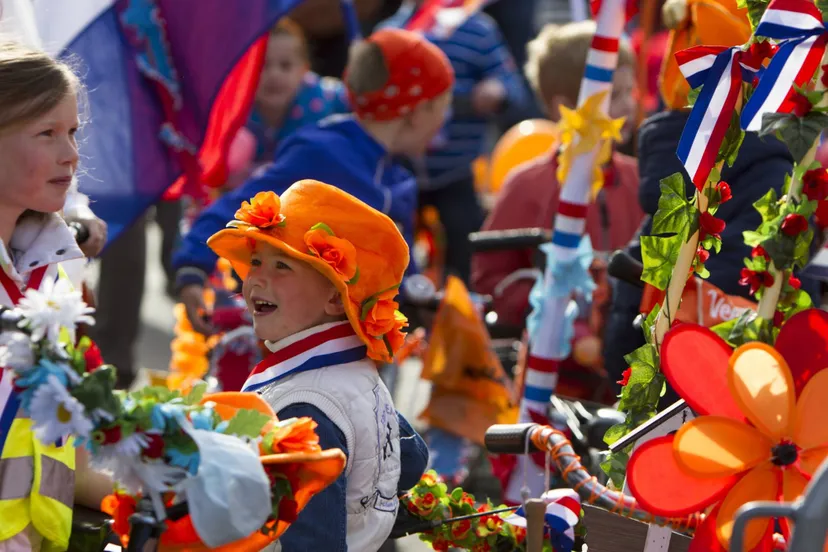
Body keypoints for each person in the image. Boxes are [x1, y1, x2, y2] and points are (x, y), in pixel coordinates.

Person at [601, 0, 820, 404]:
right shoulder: (770, 174)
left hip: (665, 392)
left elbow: (624, 337)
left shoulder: (674, 166)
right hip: (742, 402)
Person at [173, 28, 454, 335]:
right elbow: (240, 206)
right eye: (443, 108)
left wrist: (420, 301)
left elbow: (399, 264)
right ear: (417, 112)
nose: (444, 121)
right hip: (296, 338)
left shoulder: (399, 180)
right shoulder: (324, 153)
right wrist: (193, 265)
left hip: (361, 342)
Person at [207, 181, 429, 551]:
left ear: (335, 299)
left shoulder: (305, 407)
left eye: (282, 266)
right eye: (256, 261)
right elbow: (411, 460)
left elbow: (313, 542)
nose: (257, 278)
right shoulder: (354, 372)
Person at [0, 40, 112, 552]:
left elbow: (73, 459)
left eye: (72, 132)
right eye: (46, 133)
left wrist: (170, 493)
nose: (71, 154)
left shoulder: (56, 273)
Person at [472, 20, 643, 328]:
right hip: (557, 349)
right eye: (615, 95)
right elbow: (492, 277)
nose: (629, 105)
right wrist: (552, 309)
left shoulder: (639, 179)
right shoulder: (527, 186)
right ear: (565, 106)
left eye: (630, 91)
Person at [378, 0, 530, 284]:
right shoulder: (391, 32)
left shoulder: (477, 30)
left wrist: (497, 91)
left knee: (464, 247)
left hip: (456, 170)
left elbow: (513, 86)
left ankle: (465, 299)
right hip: (400, 170)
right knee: (393, 249)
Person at [228, 17, 351, 183]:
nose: (274, 74)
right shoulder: (235, 109)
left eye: (285, 65)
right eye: (262, 65)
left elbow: (360, 100)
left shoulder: (327, 99)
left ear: (304, 70)